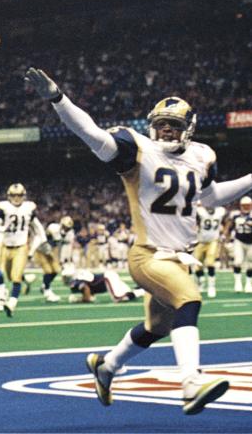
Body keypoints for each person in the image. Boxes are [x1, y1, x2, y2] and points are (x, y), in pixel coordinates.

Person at [25, 67, 252, 415]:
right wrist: (58, 98)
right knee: (189, 299)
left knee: (157, 326)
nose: (166, 130)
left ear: (188, 129)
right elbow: (91, 134)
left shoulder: (203, 156)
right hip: (148, 255)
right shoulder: (137, 148)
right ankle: (190, 382)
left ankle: (107, 366)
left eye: (173, 125)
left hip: (175, 256)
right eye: (161, 123)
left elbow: (210, 196)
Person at [0, 183, 46, 316]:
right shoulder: (3, 207)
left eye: (19, 195)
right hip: (6, 246)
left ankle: (12, 303)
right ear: (9, 196)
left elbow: (37, 227)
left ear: (24, 195)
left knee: (16, 277)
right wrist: (0, 228)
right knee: (10, 276)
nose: (16, 198)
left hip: (21, 246)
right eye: (14, 195)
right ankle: (27, 279)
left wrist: (41, 241)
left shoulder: (28, 207)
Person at [34, 216, 73, 303]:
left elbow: (60, 247)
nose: (66, 229)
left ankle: (44, 285)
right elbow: (46, 240)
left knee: (56, 270)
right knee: (48, 271)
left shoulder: (68, 234)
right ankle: (47, 292)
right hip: (41, 250)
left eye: (68, 228)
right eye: (65, 227)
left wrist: (61, 259)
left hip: (51, 251)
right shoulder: (54, 228)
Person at [62, 265, 143, 303]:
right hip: (108, 276)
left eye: (65, 277)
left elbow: (86, 290)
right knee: (126, 294)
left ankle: (142, 291)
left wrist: (81, 300)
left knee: (118, 299)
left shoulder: (77, 280)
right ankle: (140, 290)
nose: (64, 279)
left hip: (107, 278)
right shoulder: (79, 277)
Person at [193, 202, 225, 298]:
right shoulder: (200, 211)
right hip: (200, 241)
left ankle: (212, 287)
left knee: (210, 263)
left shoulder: (220, 211)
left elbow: (226, 221)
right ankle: (201, 282)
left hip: (213, 241)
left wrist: (223, 232)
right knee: (197, 266)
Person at [225, 196, 252, 293]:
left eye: (248, 205)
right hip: (239, 240)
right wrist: (225, 237)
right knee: (237, 262)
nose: (246, 207)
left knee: (251, 265)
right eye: (244, 205)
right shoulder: (235, 215)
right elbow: (229, 226)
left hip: (251, 242)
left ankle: (249, 283)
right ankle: (238, 282)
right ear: (240, 205)